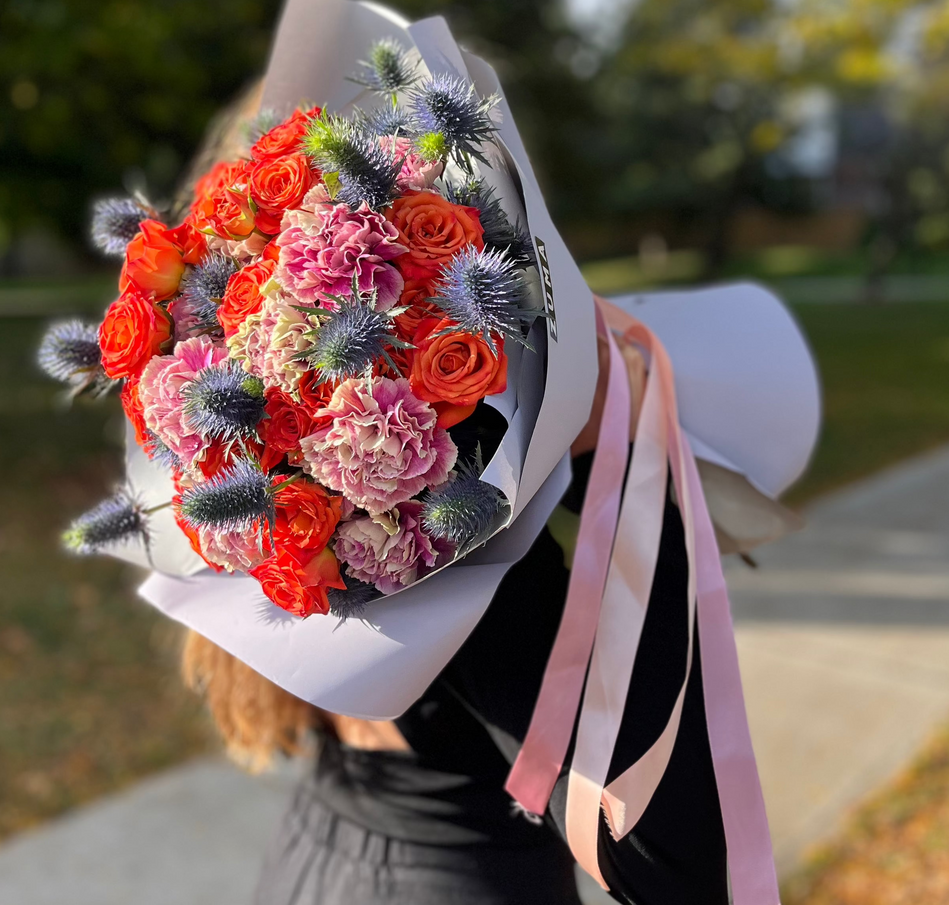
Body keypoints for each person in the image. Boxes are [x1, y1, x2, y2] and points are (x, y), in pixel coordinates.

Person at [175, 88, 728, 904]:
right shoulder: (433, 513)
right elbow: (670, 856)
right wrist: (633, 452)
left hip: (314, 858)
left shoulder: (242, 460)